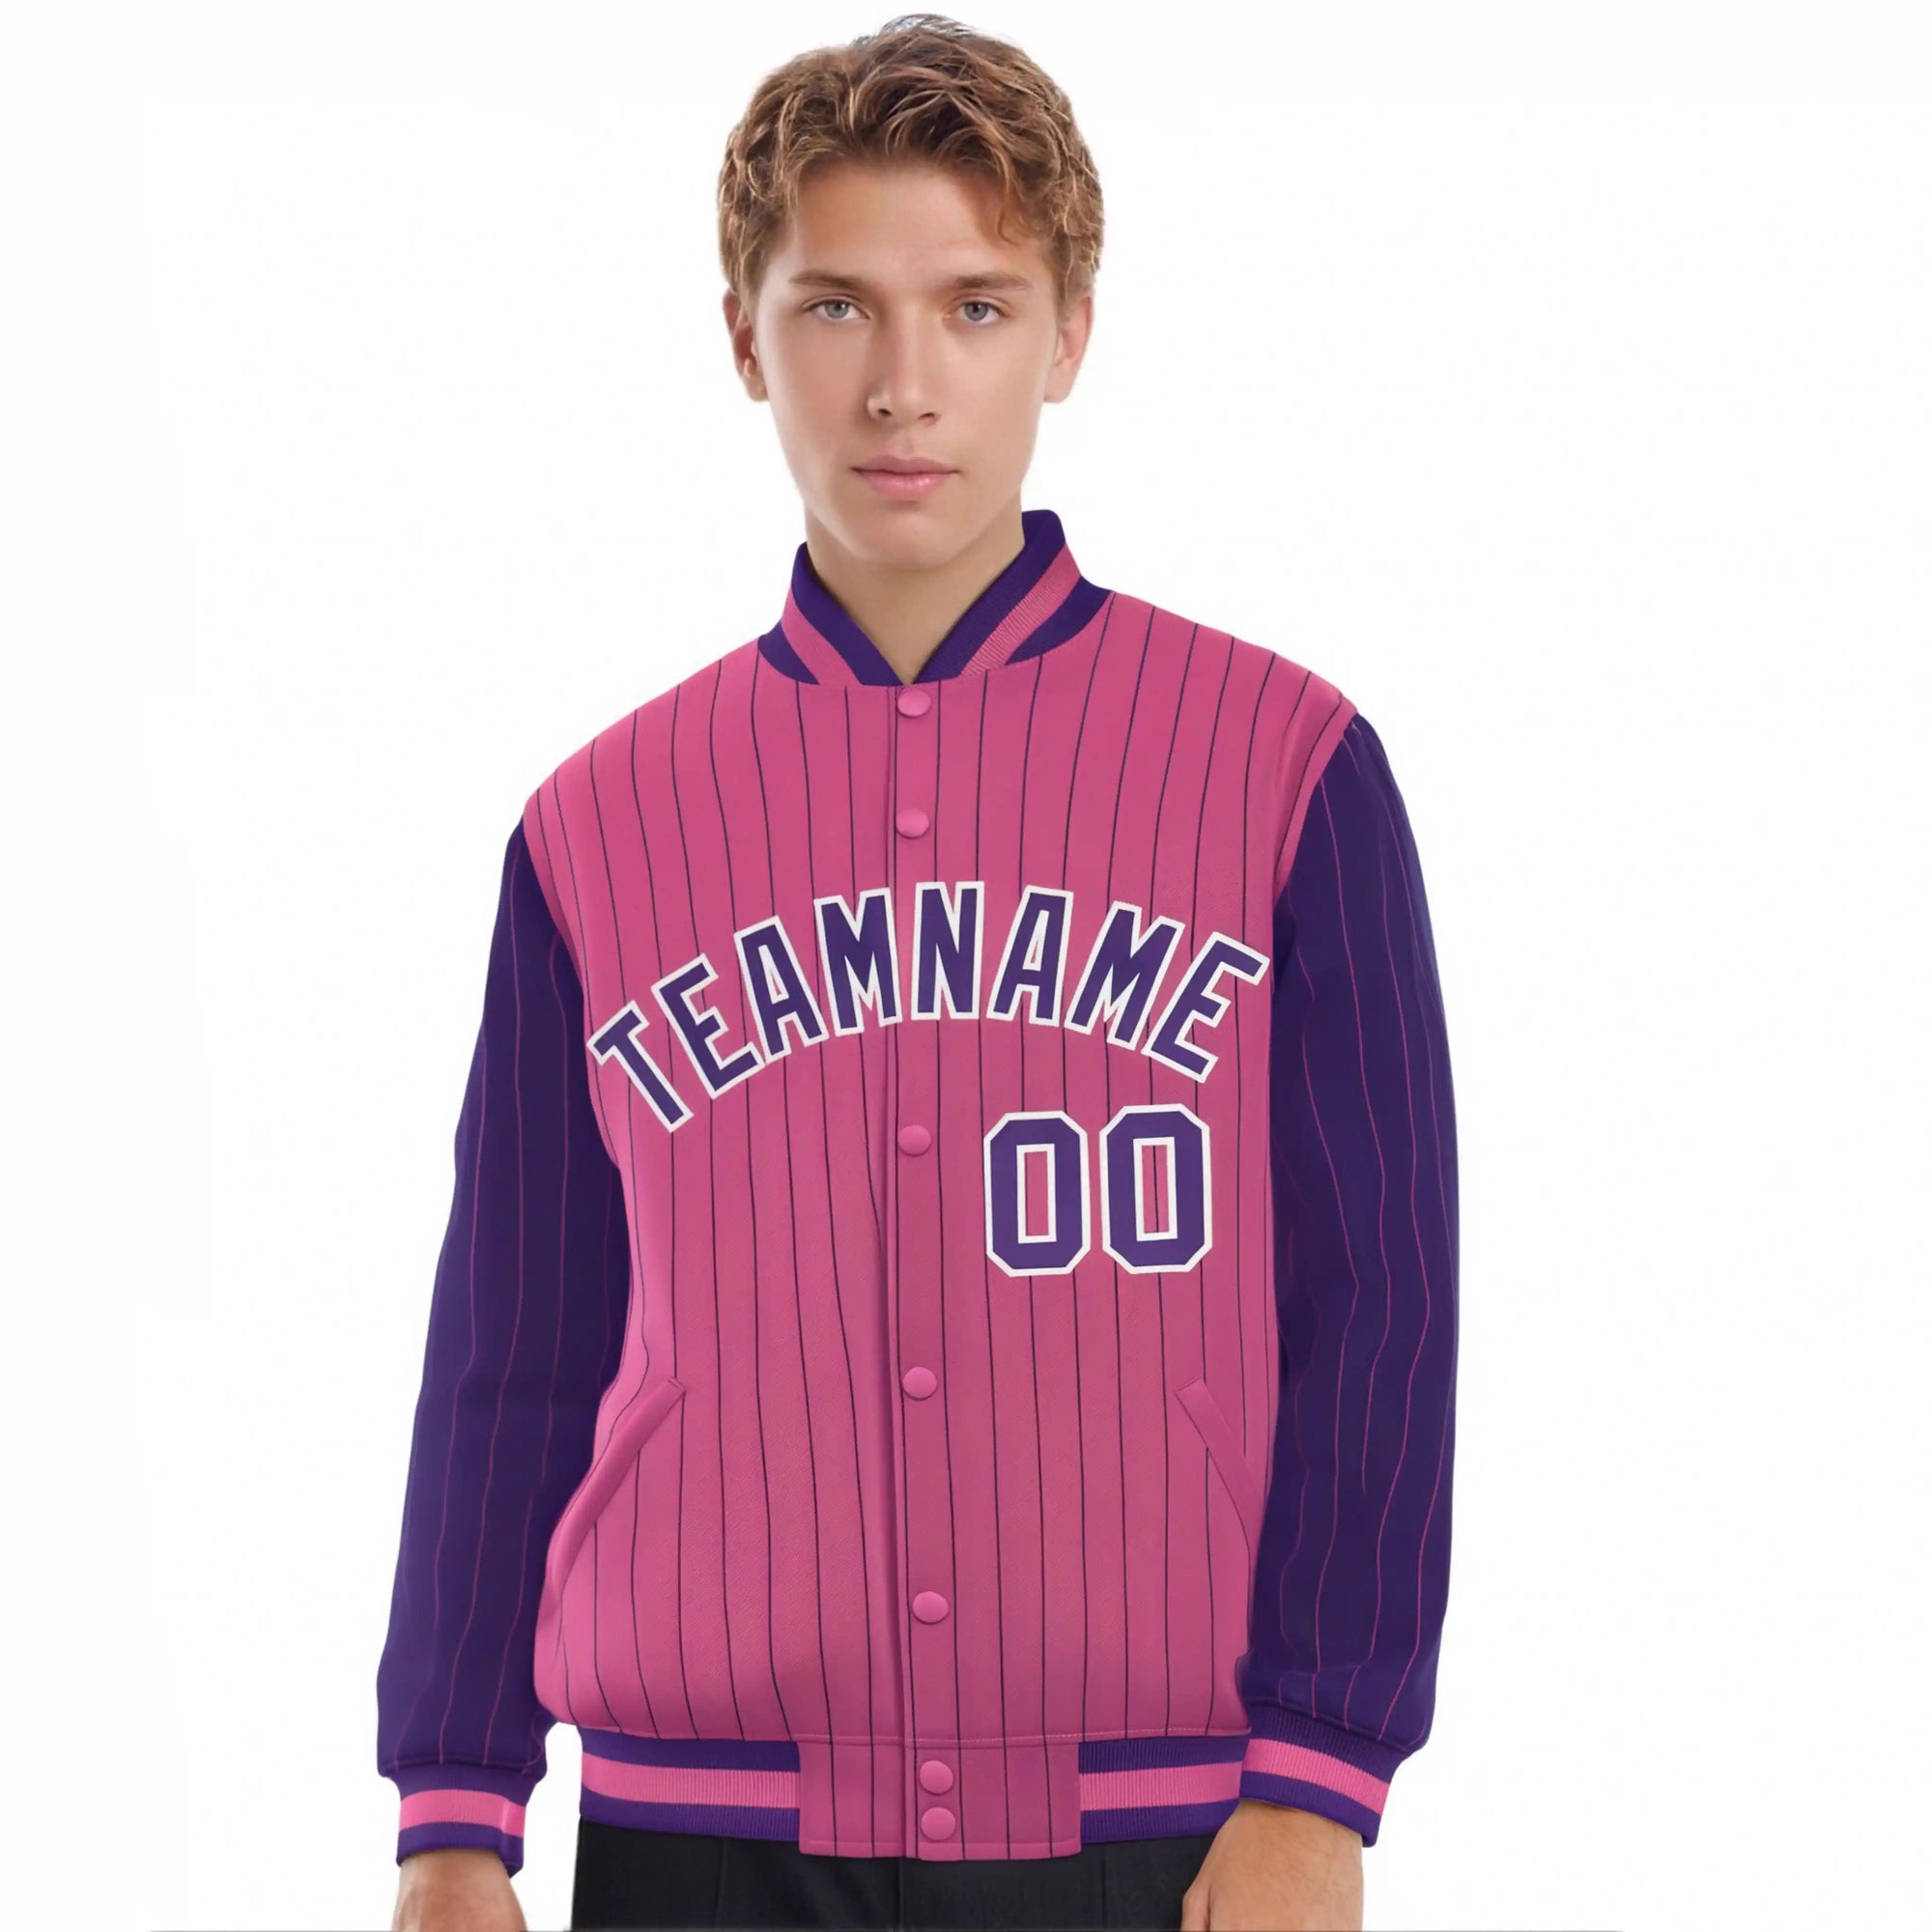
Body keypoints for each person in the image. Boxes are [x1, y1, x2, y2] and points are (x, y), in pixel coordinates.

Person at [377, 14, 1459, 1931]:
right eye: (834, 308)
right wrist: (454, 1812)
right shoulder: (598, 823)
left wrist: (1323, 1775)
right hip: (696, 1840)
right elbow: (514, 1350)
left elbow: (1380, 1310)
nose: (900, 386)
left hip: (1166, 1829)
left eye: (972, 307)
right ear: (743, 339)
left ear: (1069, 335)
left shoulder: (1283, 766)